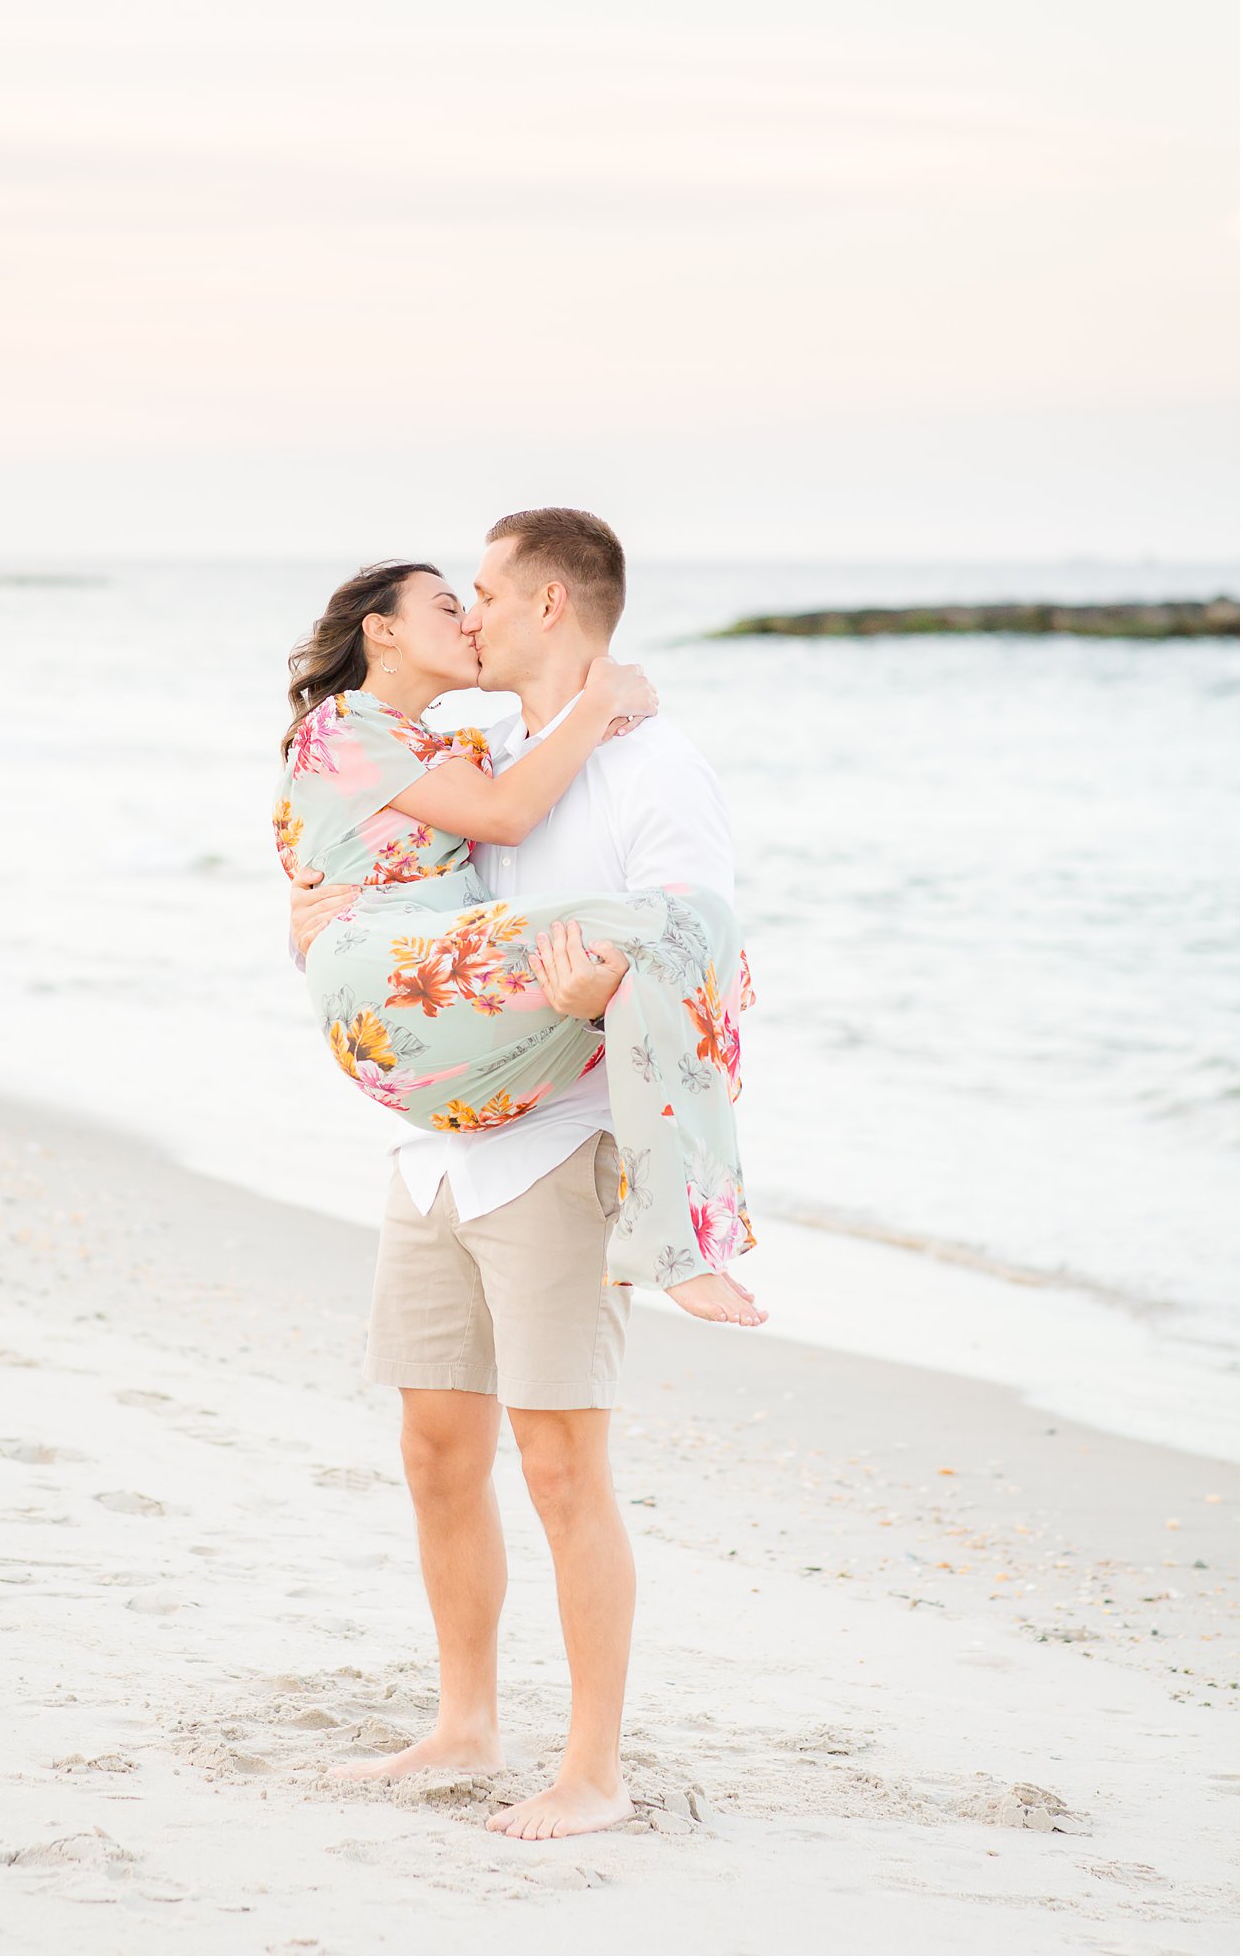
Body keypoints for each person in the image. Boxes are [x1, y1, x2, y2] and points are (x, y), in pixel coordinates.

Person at [283, 506, 766, 1840]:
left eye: (486, 589)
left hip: (559, 1147)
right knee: (437, 1448)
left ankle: (594, 1770)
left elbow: (690, 937)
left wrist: (608, 976)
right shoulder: (494, 748)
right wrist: (320, 922)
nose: (475, 612)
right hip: (440, 1154)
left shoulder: (655, 770)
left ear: (550, 604)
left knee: (561, 1464)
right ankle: (464, 1725)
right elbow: (401, 871)